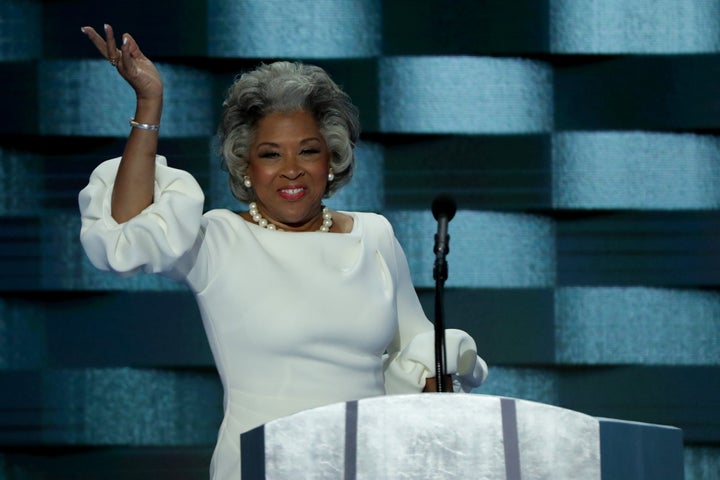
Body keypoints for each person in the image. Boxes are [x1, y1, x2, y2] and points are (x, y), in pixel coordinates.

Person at [78, 24, 488, 480]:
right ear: (246, 166)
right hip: (263, 463)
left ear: (331, 160)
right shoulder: (217, 239)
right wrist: (149, 104)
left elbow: (418, 345)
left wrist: (438, 394)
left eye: (307, 151)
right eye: (271, 154)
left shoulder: (374, 235)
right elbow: (128, 233)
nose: (291, 170)